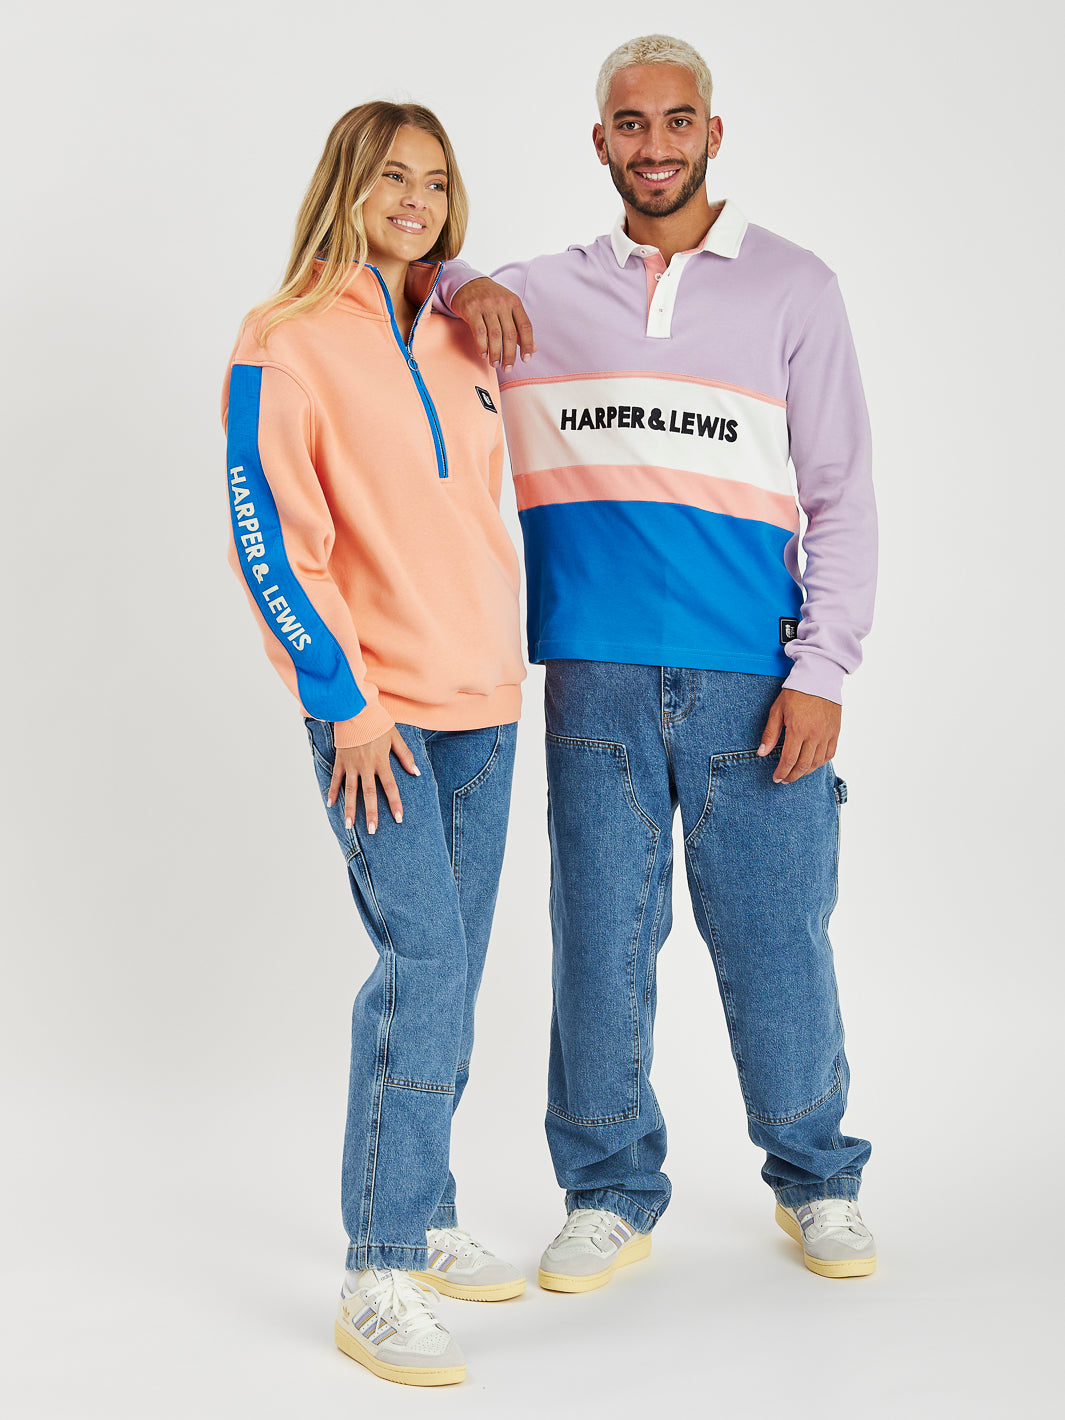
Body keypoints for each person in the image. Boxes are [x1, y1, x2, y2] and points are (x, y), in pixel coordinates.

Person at [438, 33, 878, 1288]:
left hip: (757, 679)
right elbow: (419, 269)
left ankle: (817, 1177)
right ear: (601, 142)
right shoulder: (543, 294)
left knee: (778, 939)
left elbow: (842, 494)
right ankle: (609, 1189)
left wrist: (824, 670)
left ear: (712, 134)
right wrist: (463, 279)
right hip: (593, 672)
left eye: (677, 121)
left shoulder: (796, 288)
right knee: (599, 942)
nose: (655, 145)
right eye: (630, 125)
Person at [223, 101, 527, 1388]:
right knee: (424, 964)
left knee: (455, 971)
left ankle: (428, 1198)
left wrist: (470, 278)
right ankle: (378, 1267)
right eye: (394, 175)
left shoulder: (464, 328)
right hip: (377, 716)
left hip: (486, 701)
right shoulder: (283, 339)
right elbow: (266, 535)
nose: (417, 198)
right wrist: (343, 699)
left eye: (437, 181)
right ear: (346, 184)